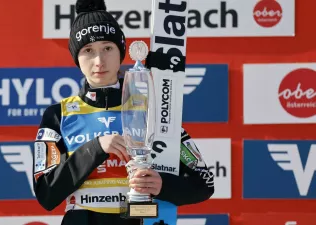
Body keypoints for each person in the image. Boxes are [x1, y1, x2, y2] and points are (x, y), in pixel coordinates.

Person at [32, 0, 215, 224]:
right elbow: (46, 193)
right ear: (76, 58)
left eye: (107, 48)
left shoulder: (152, 110)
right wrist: (96, 148)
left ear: (121, 52)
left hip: (139, 218)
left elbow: (204, 182)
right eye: (88, 51)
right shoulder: (58, 115)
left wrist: (162, 185)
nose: (99, 61)